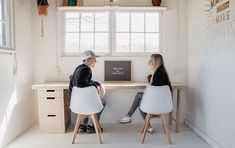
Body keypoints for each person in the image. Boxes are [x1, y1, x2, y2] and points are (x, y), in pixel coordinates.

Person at [117, 53, 172, 133]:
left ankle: (129, 116)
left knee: (139, 95)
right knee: (140, 101)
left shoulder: (157, 74)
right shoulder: (164, 72)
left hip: (156, 104)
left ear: (155, 62)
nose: (149, 62)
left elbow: (152, 92)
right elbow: (167, 89)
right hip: (164, 104)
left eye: (151, 61)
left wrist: (149, 85)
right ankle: (146, 124)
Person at [69, 50, 106, 134]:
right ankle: (93, 126)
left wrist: (96, 83)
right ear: (88, 59)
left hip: (76, 102)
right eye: (94, 59)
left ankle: (83, 125)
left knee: (87, 101)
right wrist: (95, 86)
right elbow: (81, 83)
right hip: (83, 103)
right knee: (102, 102)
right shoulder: (87, 70)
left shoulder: (79, 68)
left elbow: (82, 81)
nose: (96, 61)